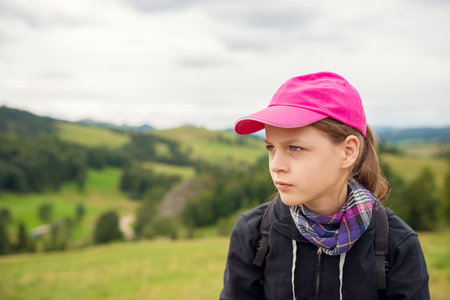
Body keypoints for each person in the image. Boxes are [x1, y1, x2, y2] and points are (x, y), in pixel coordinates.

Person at [220, 72, 429, 300]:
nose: (276, 165)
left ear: (348, 152)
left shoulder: (396, 244)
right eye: (271, 148)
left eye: (295, 148)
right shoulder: (253, 234)